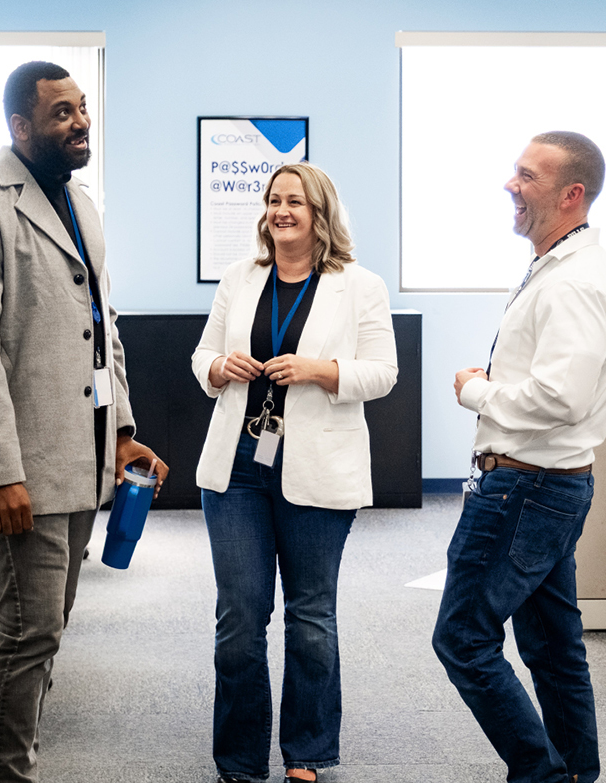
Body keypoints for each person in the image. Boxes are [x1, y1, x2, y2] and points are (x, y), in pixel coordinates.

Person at [0, 61, 168, 783]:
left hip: (81, 456)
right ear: (21, 126)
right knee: (26, 633)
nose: (80, 123)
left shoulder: (81, 204)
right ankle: (6, 774)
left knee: (47, 632)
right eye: (62, 113)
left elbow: (102, 327)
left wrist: (122, 426)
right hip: (23, 472)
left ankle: (16, 763)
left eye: (83, 109)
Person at [432, 131, 606, 783]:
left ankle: (542, 775)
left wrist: (476, 391)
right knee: (551, 647)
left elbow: (562, 397)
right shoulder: (563, 266)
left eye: (527, 176)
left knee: (463, 637)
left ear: (572, 195)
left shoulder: (574, 281)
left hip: (526, 486)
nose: (511, 186)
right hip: (548, 484)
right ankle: (576, 772)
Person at [192, 162, 397, 783]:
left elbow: (382, 373)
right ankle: (240, 761)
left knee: (311, 618)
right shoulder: (240, 277)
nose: (282, 211)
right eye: (274, 200)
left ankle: (307, 754)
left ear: (320, 214)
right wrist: (219, 368)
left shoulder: (359, 286)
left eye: (296, 203)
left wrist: (318, 370)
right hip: (237, 471)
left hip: (318, 469)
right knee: (239, 620)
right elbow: (201, 355)